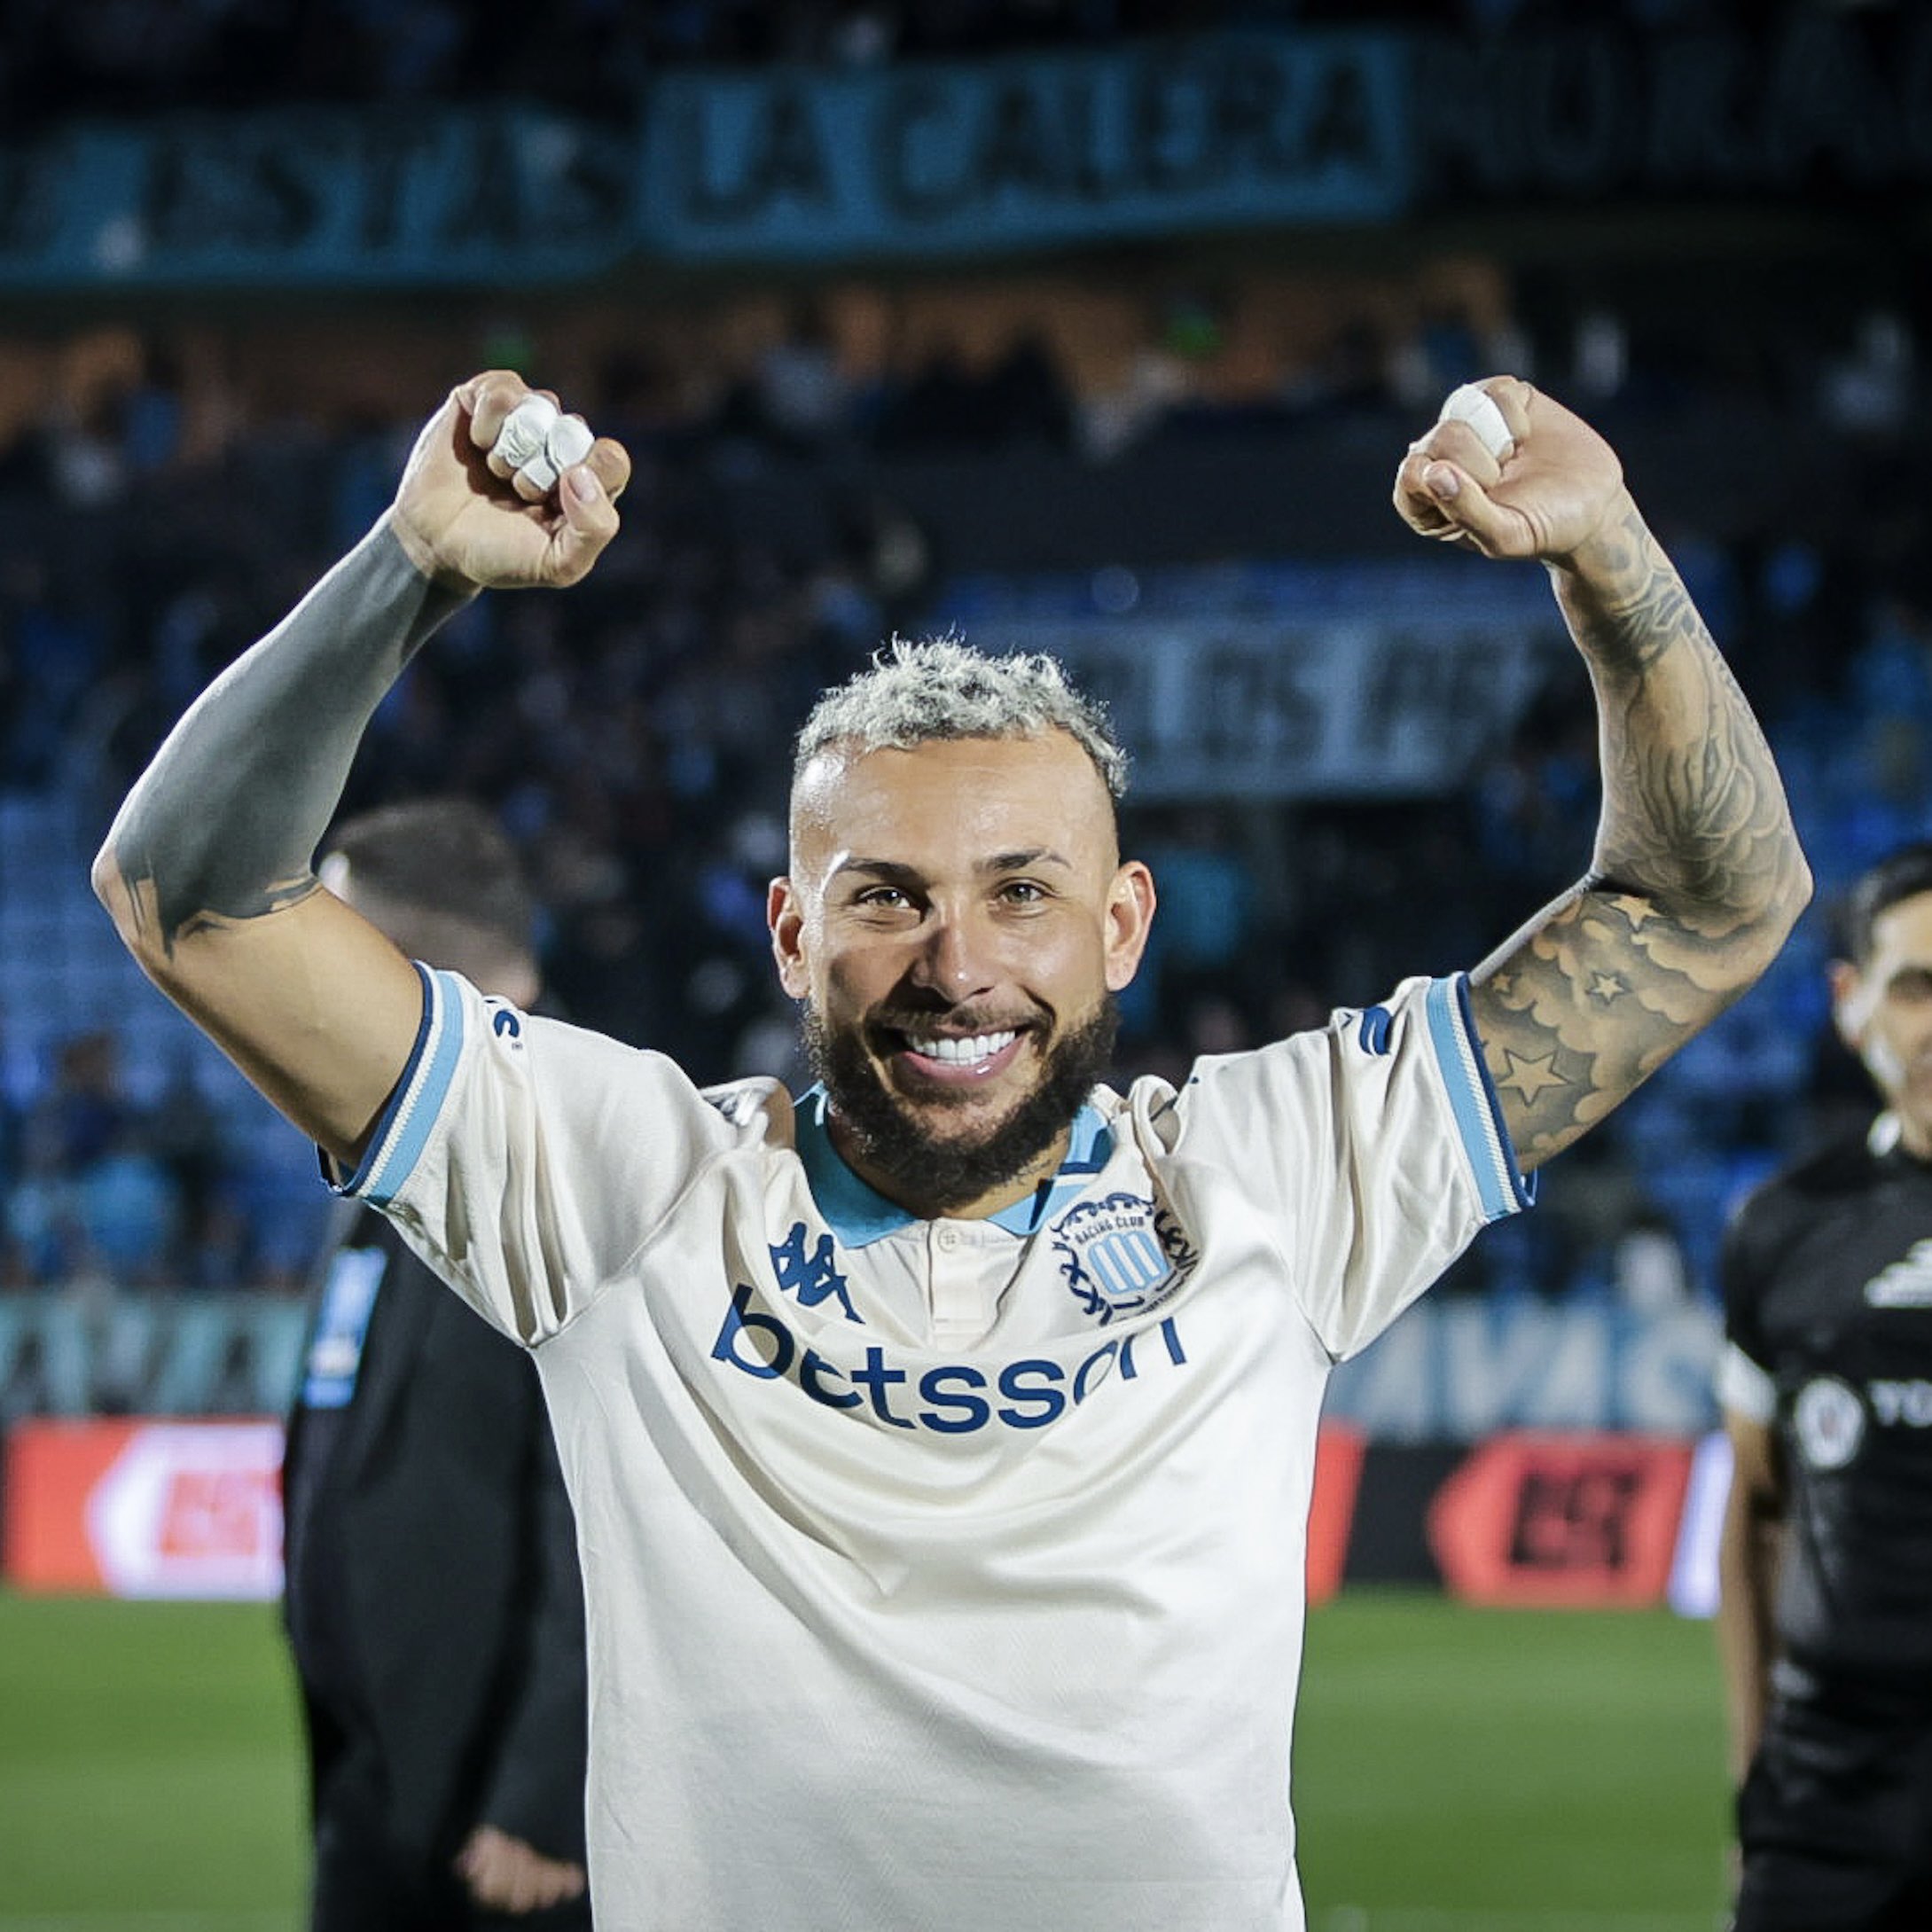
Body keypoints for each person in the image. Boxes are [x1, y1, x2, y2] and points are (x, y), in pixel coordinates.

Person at [94, 370, 1809, 1931]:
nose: (956, 962)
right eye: (884, 895)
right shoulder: (624, 1187)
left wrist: (1607, 553)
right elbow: (191, 894)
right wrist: (409, 563)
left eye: (1020, 890)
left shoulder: (1279, 1169)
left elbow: (1709, 902)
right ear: (788, 932)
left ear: (1120, 923)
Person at [281, 797, 591, 1931]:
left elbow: (616, 1510)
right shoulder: (386, 1129)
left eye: (319, 941)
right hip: (375, 1780)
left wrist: (549, 1794)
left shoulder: (583, 1147)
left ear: (385, 960)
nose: (289, 977)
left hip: (500, 1824)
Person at [1718, 841, 1932, 1930]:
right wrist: (1753, 1780)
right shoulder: (1783, 1228)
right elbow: (1755, 1521)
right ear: (1851, 1003)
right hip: (1826, 1800)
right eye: (1914, 988)